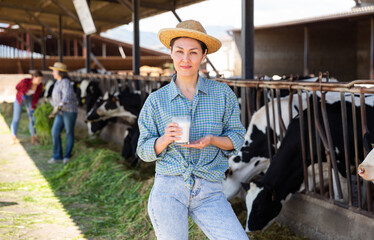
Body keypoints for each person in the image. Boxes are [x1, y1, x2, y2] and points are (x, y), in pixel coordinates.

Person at [137, 20, 249, 240]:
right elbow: (143, 150)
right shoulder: (156, 101)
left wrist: (213, 140)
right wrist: (164, 139)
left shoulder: (222, 94)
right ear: (170, 53)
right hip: (169, 188)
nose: (185, 59)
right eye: (179, 51)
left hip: (210, 190)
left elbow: (237, 137)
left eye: (193, 52)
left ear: (204, 55)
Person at [48, 62, 78, 164]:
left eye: (54, 71)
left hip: (69, 111)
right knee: (55, 132)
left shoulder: (65, 82)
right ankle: (57, 156)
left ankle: (67, 156)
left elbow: (68, 95)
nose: (52, 73)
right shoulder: (57, 83)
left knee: (69, 133)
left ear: (59, 72)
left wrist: (60, 105)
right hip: (60, 111)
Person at [11, 70, 43, 144]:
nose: (40, 81)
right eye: (39, 79)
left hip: (30, 99)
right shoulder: (25, 81)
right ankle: (13, 136)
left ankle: (33, 137)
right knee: (16, 118)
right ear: (34, 77)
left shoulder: (39, 86)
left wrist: (33, 107)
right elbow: (17, 87)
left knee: (32, 118)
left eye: (41, 79)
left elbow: (36, 97)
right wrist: (22, 93)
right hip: (20, 98)